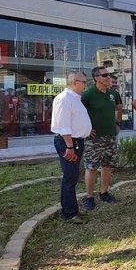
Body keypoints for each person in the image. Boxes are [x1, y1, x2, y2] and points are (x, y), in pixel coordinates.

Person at [51, 71, 92, 224]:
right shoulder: (65, 99)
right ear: (74, 82)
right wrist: (69, 146)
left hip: (76, 141)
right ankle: (69, 213)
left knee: (73, 177)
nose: (85, 85)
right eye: (84, 82)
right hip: (69, 142)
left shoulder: (75, 98)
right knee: (70, 177)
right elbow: (64, 126)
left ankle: (69, 209)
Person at [81, 67, 123, 210]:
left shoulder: (113, 93)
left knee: (108, 165)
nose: (108, 77)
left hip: (110, 136)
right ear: (96, 78)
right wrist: (85, 129)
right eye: (105, 75)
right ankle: (89, 197)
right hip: (94, 138)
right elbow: (78, 113)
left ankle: (104, 192)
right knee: (91, 167)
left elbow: (119, 108)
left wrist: (117, 123)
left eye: (109, 75)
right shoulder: (88, 94)